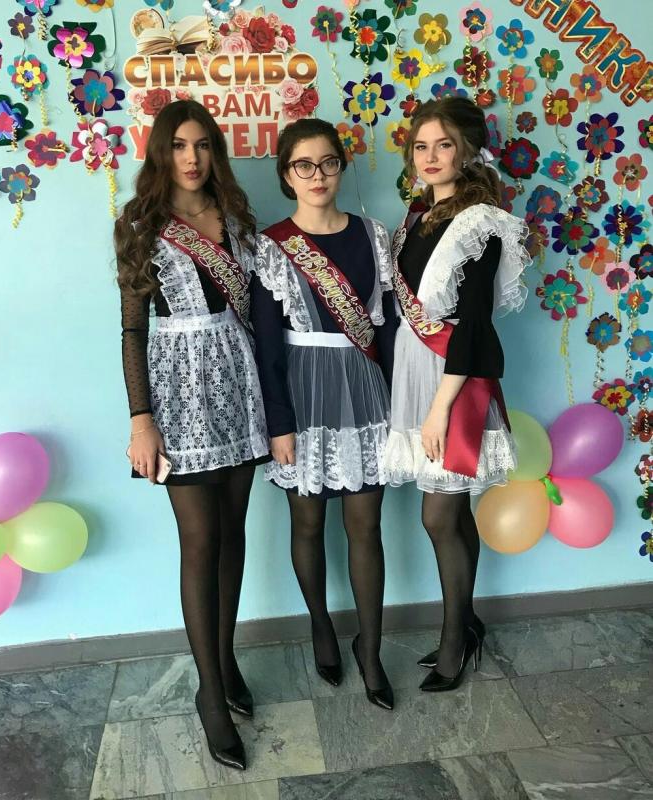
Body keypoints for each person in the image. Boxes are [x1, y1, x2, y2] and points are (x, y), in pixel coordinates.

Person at [115, 100, 270, 770]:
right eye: (179, 145)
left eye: (203, 145)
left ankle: (227, 663)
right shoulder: (141, 224)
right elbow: (132, 329)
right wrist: (140, 418)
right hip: (177, 391)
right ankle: (210, 692)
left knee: (233, 534)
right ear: (161, 151)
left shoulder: (235, 217)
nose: (191, 158)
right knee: (200, 540)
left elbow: (259, 310)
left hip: (238, 383)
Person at [250, 118, 398, 710]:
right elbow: (266, 343)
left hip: (364, 391)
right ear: (287, 175)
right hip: (302, 393)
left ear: (342, 166)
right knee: (307, 522)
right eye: (303, 165)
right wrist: (278, 424)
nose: (318, 175)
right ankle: (320, 623)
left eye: (328, 162)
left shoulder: (374, 236)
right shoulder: (271, 246)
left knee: (366, 525)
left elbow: (387, 331)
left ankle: (372, 647)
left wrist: (400, 407)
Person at [384, 97, 529, 691]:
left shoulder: (482, 223)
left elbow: (472, 325)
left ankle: (453, 643)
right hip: (414, 368)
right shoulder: (417, 217)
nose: (431, 156)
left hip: (455, 378)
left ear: (468, 151)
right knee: (454, 509)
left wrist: (439, 409)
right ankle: (466, 625)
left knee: (438, 514)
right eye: (421, 146)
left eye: (443, 144)